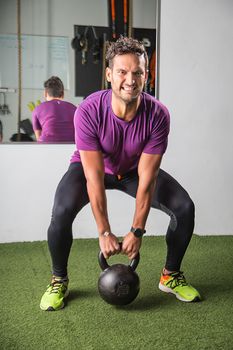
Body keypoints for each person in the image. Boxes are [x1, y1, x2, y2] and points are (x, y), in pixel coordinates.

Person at [40, 37, 201, 311]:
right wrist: (104, 231)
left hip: (132, 170)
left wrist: (136, 230)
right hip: (93, 168)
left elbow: (147, 180)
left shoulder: (158, 115)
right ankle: (59, 280)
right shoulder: (89, 110)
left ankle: (170, 275)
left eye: (138, 72)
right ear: (109, 75)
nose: (131, 80)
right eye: (122, 72)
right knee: (62, 209)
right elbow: (93, 177)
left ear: (146, 75)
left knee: (184, 207)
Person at [32, 76, 76, 142]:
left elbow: (38, 138)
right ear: (63, 94)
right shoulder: (74, 108)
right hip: (70, 145)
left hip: (47, 145)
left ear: (45, 93)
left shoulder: (38, 109)